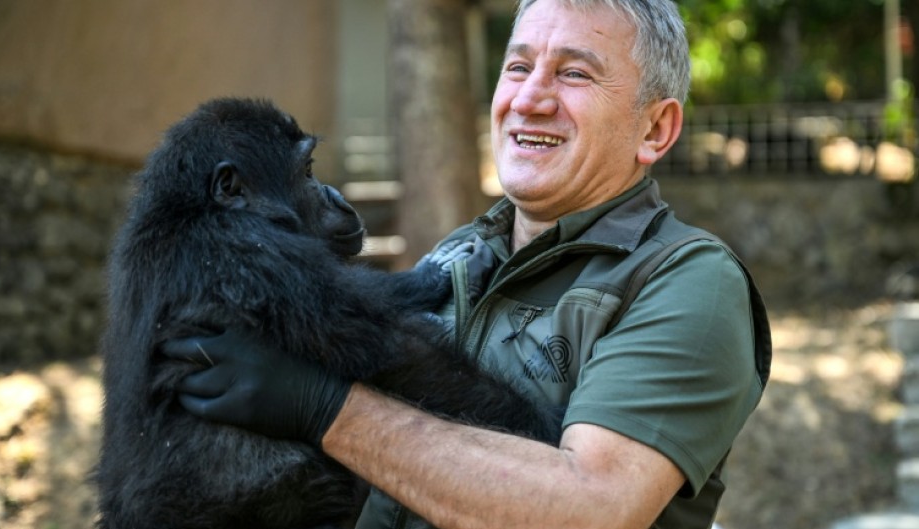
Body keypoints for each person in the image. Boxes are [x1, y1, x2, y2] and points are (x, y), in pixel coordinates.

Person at [164, 1, 772, 528]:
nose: (530, 98)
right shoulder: (457, 256)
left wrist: (326, 409)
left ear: (656, 128)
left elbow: (591, 508)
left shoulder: (685, 281)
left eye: (575, 73)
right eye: (517, 67)